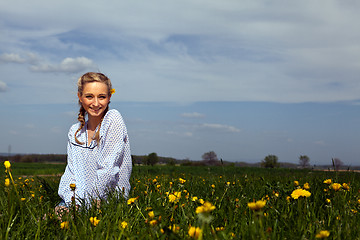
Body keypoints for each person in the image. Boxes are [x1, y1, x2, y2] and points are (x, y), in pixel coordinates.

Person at [56, 72, 132, 215]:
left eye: (101, 97)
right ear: (80, 97)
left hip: (106, 203)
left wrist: (89, 204)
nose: (96, 103)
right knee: (48, 224)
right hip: (76, 202)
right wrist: (72, 202)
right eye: (89, 96)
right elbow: (70, 174)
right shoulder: (75, 132)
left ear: (109, 97)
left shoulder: (113, 120)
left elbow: (108, 171)